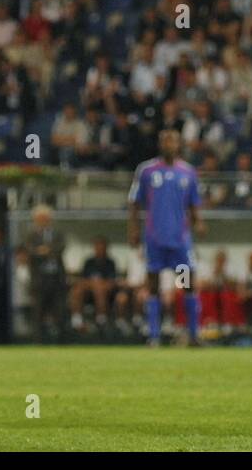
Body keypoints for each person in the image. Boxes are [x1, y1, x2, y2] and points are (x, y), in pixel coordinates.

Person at [127, 128, 205, 347]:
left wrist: (198, 222)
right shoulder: (147, 171)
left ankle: (193, 334)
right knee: (154, 285)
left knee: (187, 284)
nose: (169, 144)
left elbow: (193, 203)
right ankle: (154, 336)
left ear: (179, 144)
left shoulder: (188, 172)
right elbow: (134, 203)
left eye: (173, 140)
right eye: (165, 140)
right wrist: (133, 230)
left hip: (180, 240)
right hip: (154, 238)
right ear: (160, 144)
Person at [24, 205, 66, 343]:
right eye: (39, 219)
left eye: (45, 218)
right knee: (38, 311)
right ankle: (38, 341)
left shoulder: (58, 233)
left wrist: (45, 250)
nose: (42, 221)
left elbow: (60, 248)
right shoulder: (31, 235)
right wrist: (44, 252)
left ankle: (60, 341)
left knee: (59, 310)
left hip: (56, 278)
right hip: (39, 279)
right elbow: (30, 252)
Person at [70, 237, 118, 334]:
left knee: (99, 290)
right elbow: (83, 279)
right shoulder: (89, 262)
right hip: (88, 292)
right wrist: (93, 284)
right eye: (97, 247)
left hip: (106, 294)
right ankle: (77, 321)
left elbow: (111, 282)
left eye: (102, 247)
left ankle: (101, 321)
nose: (99, 249)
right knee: (77, 290)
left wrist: (98, 285)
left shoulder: (110, 263)